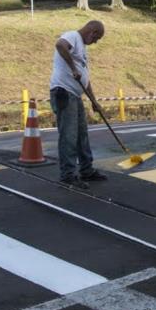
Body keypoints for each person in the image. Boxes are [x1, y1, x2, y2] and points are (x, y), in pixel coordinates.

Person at [49, 20, 108, 189]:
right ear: (92, 31)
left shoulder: (82, 48)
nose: (95, 42)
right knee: (69, 135)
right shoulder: (72, 36)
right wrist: (73, 67)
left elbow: (85, 78)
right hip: (64, 92)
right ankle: (68, 175)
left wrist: (93, 100)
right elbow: (60, 45)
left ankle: (86, 170)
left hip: (75, 95)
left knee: (82, 134)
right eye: (96, 38)